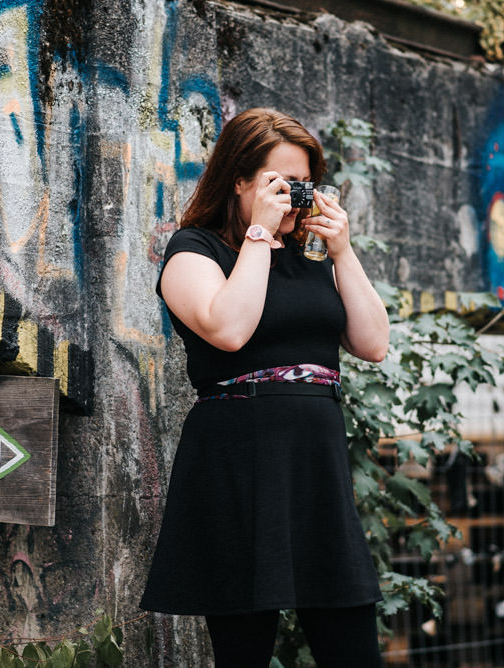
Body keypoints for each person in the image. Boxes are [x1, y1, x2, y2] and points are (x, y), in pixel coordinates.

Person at [141, 107, 389, 667]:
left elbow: (373, 344)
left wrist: (343, 251)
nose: (293, 197)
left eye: (303, 184)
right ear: (239, 181)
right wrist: (258, 236)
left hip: (314, 464)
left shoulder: (313, 260)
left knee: (351, 638)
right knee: (244, 652)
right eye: (279, 183)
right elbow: (228, 330)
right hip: (237, 461)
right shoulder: (194, 250)